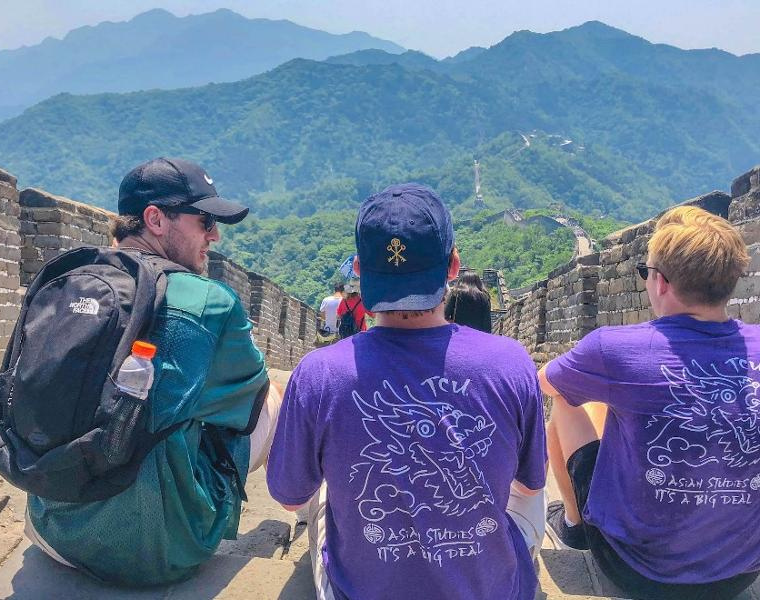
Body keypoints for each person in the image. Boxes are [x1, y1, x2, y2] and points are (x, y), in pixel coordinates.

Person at [267, 183, 546, 600]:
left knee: (324, 489)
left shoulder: (318, 374)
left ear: (360, 271)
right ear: (453, 266)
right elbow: (530, 484)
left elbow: (290, 499)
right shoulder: (511, 362)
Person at [24, 157, 281, 586]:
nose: (214, 235)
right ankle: (313, 513)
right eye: (204, 221)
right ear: (155, 219)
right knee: (273, 393)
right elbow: (246, 410)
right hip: (155, 553)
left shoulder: (66, 280)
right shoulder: (209, 301)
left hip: (51, 530)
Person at [539, 205, 760, 599]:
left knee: (571, 399)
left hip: (637, 570)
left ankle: (573, 523)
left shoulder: (616, 349)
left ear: (660, 282)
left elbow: (547, 380)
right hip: (740, 569)